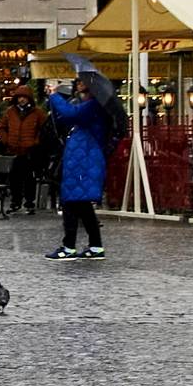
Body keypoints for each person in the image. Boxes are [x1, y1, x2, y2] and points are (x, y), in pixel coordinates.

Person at [47, 69, 119, 261]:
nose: (79, 83)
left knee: (71, 201)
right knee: (82, 203)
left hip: (85, 159)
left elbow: (70, 114)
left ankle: (69, 246)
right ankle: (95, 246)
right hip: (82, 158)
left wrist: (54, 97)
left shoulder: (93, 106)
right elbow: (65, 118)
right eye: (78, 81)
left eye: (84, 81)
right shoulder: (90, 105)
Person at [0, 81, 51, 215]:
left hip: (30, 151)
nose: (21, 100)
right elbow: (3, 127)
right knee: (15, 178)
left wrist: (35, 142)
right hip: (14, 150)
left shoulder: (37, 113)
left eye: (24, 97)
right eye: (19, 97)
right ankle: (15, 202)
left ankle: (29, 202)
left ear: (29, 98)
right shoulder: (10, 112)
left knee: (30, 178)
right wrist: (6, 140)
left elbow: (44, 129)